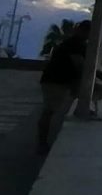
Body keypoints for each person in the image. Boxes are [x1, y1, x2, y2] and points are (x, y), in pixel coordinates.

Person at [37, 19, 91, 154]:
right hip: (55, 81)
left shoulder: (77, 43)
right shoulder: (75, 43)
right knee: (49, 111)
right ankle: (41, 144)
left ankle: (43, 143)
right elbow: (79, 65)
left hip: (57, 80)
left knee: (50, 111)